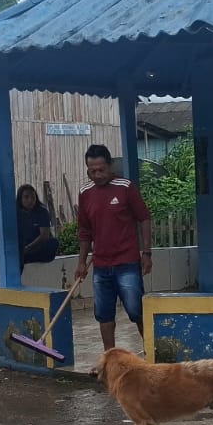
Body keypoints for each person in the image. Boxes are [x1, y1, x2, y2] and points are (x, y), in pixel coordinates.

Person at [74, 144, 152, 352]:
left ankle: (152, 351)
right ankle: (110, 358)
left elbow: (144, 218)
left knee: (136, 310)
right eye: (93, 171)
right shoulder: (85, 192)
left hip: (127, 262)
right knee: (104, 313)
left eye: (101, 169)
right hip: (101, 264)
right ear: (87, 170)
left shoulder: (125, 187)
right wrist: (82, 261)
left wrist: (147, 252)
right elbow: (84, 230)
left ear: (110, 166)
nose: (97, 175)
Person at [17, 184, 59, 265]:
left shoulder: (42, 212)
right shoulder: (16, 213)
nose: (30, 200)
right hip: (22, 246)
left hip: (36, 246)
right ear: (20, 199)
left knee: (53, 242)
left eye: (33, 197)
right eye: (26, 197)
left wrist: (28, 248)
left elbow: (44, 235)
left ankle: (27, 258)